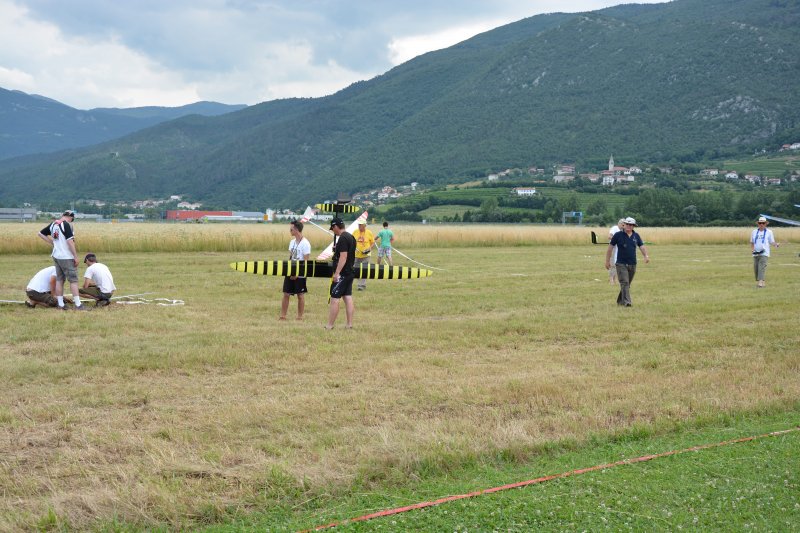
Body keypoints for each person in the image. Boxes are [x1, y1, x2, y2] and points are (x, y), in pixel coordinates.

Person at [37, 210, 89, 311]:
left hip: (56, 255)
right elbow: (70, 241)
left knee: (59, 280)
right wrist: (75, 256)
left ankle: (60, 304)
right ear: (71, 217)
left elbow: (40, 234)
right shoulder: (66, 225)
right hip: (66, 256)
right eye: (72, 219)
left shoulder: (53, 224)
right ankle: (78, 305)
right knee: (73, 280)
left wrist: (52, 243)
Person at [604, 217, 650, 306]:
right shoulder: (617, 235)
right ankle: (627, 302)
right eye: (627, 224)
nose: (629, 226)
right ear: (624, 225)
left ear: (634, 226)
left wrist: (646, 256)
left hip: (633, 263)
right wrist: (607, 261)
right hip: (621, 263)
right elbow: (610, 248)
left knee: (627, 284)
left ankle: (620, 301)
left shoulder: (636, 236)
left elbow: (641, 246)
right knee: (624, 282)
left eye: (631, 225)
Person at [326, 217, 356, 329]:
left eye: (332, 228)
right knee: (347, 297)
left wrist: (337, 273)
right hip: (350, 272)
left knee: (334, 298)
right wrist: (337, 248)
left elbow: (343, 257)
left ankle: (329, 325)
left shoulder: (342, 238)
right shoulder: (351, 237)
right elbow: (348, 253)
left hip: (342, 274)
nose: (333, 231)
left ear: (336, 226)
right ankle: (349, 324)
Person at [279, 220, 311, 320]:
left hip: (300, 272)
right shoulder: (292, 242)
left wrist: (297, 273)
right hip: (290, 270)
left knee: (300, 295)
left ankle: (300, 317)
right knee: (286, 293)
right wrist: (288, 270)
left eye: (291, 229)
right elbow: (291, 256)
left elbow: (306, 261)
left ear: (296, 230)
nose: (290, 231)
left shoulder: (305, 243)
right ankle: (283, 316)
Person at [751, 216, 779, 288]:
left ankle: (760, 283)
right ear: (758, 224)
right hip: (755, 253)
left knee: (761, 267)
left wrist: (776, 244)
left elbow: (771, 241)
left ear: (766, 224)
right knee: (756, 268)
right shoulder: (754, 232)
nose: (761, 224)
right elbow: (752, 242)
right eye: (760, 223)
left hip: (764, 253)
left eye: (763, 223)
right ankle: (762, 282)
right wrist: (752, 250)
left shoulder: (769, 232)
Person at [352, 221, 375, 290]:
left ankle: (361, 286)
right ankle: (350, 284)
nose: (359, 226)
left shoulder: (369, 233)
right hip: (356, 255)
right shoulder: (355, 232)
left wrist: (369, 249)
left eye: (361, 225)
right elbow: (351, 241)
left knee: (364, 270)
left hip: (366, 256)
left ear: (364, 225)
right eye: (359, 225)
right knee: (354, 270)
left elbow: (373, 243)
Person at [608, 218, 625, 285]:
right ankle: (611, 279)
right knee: (612, 264)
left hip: (619, 249)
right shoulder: (614, 228)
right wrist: (616, 240)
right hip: (613, 248)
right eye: (623, 225)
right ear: (619, 223)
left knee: (617, 264)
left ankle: (615, 279)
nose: (624, 226)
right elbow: (609, 236)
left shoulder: (623, 231)